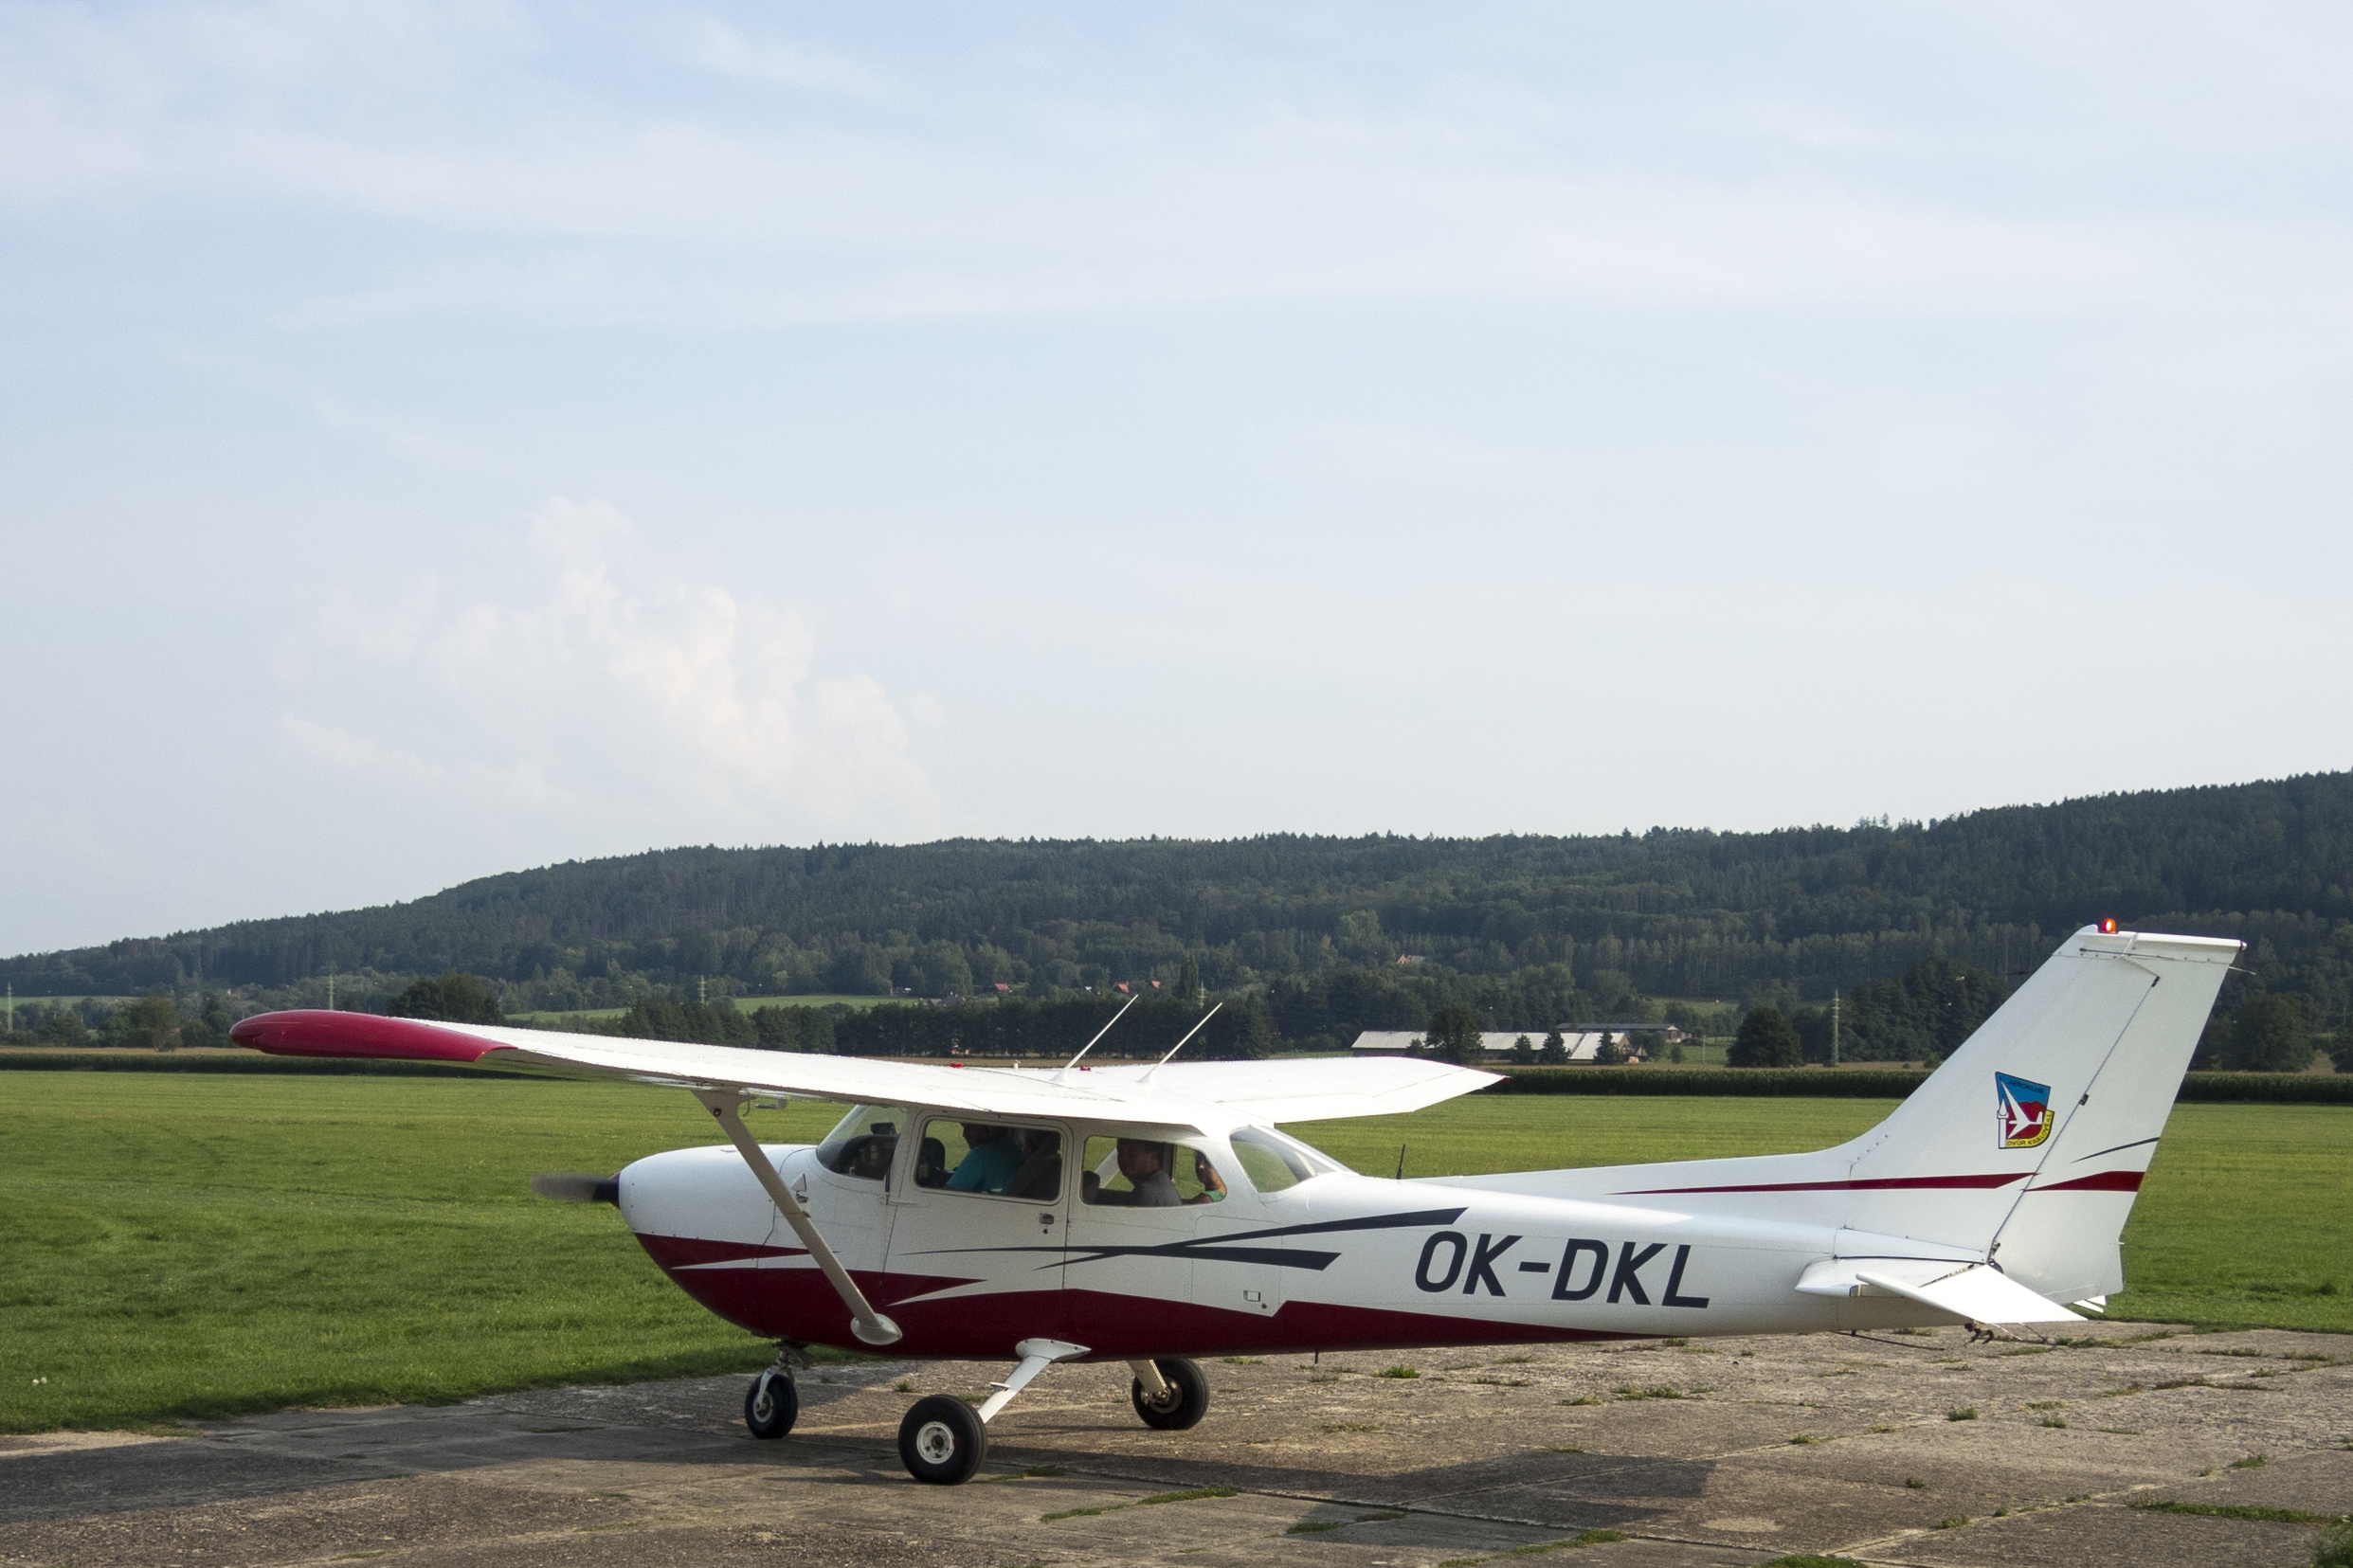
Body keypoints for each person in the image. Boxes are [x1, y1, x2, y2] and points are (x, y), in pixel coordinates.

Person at [947, 1123, 1025, 1192]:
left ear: (989, 1127)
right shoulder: (1013, 1149)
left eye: (970, 1127)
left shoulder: (980, 1155)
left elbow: (947, 1196)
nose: (965, 1134)